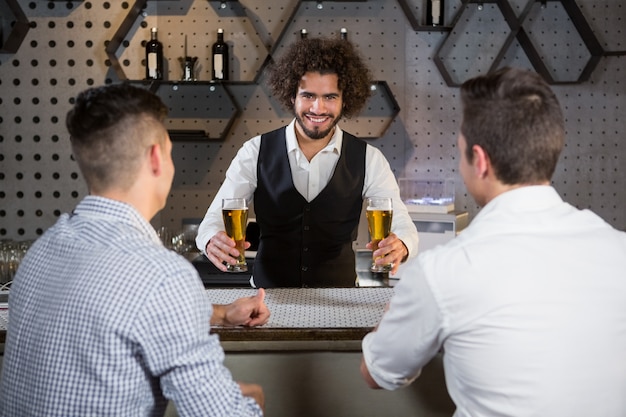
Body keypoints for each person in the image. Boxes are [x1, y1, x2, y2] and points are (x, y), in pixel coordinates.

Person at [360, 67, 626, 416]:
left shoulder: (441, 271)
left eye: (460, 151)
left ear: (480, 161)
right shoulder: (618, 249)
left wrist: (398, 312)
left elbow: (377, 374)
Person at [0, 83, 270, 416]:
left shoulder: (44, 251)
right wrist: (252, 400)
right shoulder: (163, 275)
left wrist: (220, 313)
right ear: (157, 158)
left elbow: (116, 306)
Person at [196, 37, 419, 288]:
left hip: (342, 304)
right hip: (267, 302)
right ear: (292, 96)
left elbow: (403, 223)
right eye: (308, 95)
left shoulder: (369, 158)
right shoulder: (254, 151)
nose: (318, 107)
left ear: (345, 100)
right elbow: (212, 221)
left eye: (330, 97)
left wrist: (401, 243)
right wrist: (210, 240)